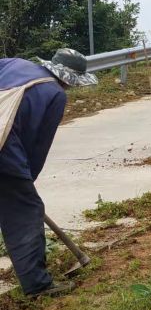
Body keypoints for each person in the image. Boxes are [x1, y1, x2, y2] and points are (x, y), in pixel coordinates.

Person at [0, 49, 98, 297]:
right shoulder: (54, 93)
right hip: (4, 152)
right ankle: (38, 286)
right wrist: (26, 184)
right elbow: (37, 146)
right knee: (26, 212)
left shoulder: (14, 63)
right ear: (71, 79)